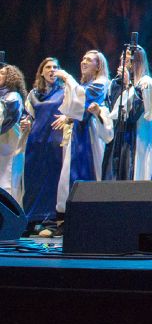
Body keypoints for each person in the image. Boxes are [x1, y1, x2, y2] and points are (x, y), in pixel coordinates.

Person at [52, 50, 113, 234]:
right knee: (67, 175)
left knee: (89, 172)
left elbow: (84, 99)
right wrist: (68, 116)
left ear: (98, 66)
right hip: (78, 133)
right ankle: (67, 219)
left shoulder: (101, 83)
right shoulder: (87, 84)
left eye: (89, 60)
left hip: (91, 135)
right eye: (83, 58)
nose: (84, 61)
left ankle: (88, 220)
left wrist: (67, 78)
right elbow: (74, 108)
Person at [102, 45, 152, 181]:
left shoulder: (146, 83)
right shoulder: (115, 84)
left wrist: (128, 84)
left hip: (136, 139)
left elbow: (135, 113)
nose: (123, 58)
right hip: (117, 138)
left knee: (131, 173)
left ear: (137, 60)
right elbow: (112, 112)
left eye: (128, 55)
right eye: (123, 55)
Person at [20, 58, 65, 232]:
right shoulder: (33, 94)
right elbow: (28, 115)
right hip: (36, 141)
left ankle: (50, 221)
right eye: (48, 67)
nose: (52, 70)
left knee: (53, 180)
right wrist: (26, 122)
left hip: (55, 141)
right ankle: (30, 220)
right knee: (33, 180)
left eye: (55, 67)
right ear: (41, 72)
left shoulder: (65, 91)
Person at [0, 64, 26, 204]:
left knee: (7, 181)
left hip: (9, 144)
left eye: (2, 73)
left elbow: (6, 120)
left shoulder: (13, 97)